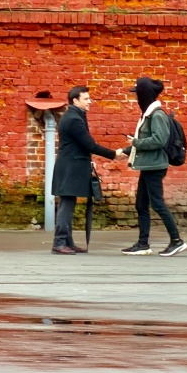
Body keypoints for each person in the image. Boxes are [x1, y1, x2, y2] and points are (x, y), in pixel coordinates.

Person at [51, 85, 123, 255]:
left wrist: (89, 161)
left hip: (70, 165)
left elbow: (81, 145)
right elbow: (89, 144)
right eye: (86, 99)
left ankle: (67, 242)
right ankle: (59, 242)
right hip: (70, 166)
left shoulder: (75, 116)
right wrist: (114, 154)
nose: (90, 101)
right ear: (75, 101)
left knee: (68, 202)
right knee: (67, 204)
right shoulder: (74, 119)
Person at [121, 77, 187, 258]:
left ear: (144, 95)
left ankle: (176, 241)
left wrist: (135, 142)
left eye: (138, 94)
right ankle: (143, 244)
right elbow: (147, 141)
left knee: (157, 204)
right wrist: (126, 150)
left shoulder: (157, 115)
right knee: (141, 204)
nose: (136, 98)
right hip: (148, 165)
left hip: (155, 166)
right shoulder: (149, 114)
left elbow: (159, 140)